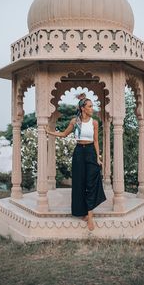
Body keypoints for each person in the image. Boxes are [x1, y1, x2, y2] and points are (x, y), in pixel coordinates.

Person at [44, 92, 107, 231]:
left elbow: (96, 141)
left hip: (90, 152)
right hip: (78, 152)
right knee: (79, 183)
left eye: (92, 106)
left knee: (91, 182)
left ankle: (90, 216)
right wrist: (50, 132)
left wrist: (98, 157)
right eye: (90, 106)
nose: (92, 109)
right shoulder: (75, 121)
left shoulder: (95, 122)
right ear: (83, 108)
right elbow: (64, 134)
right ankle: (83, 212)